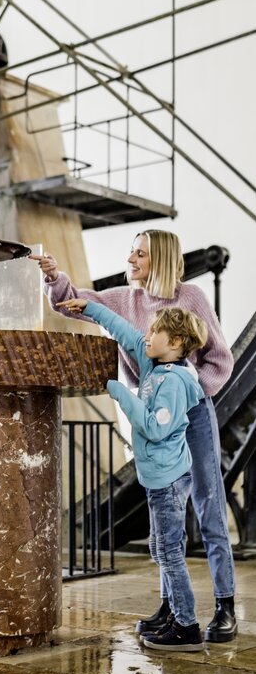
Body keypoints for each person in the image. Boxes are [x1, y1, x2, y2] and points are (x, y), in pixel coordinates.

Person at [30, 229, 237, 643]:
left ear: (159, 258)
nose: (132, 258)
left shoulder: (191, 297)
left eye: (140, 253)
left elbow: (221, 358)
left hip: (192, 413)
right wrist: (54, 277)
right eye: (131, 251)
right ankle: (171, 606)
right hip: (155, 415)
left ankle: (225, 606)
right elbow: (77, 304)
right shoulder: (126, 299)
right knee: (164, 517)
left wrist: (192, 391)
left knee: (209, 504)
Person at [57, 299, 207, 650]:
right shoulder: (154, 365)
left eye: (156, 331)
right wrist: (90, 308)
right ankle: (171, 611)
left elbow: (155, 428)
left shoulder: (173, 383)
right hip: (158, 479)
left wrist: (120, 392)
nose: (147, 335)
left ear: (175, 344)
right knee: (160, 548)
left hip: (170, 481)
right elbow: (125, 332)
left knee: (169, 552)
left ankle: (187, 626)